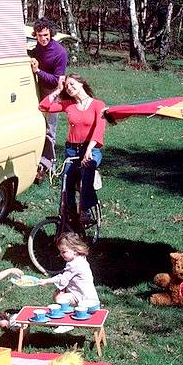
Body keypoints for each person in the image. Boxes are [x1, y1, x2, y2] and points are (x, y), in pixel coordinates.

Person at [38, 73, 106, 224]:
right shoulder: (69, 105)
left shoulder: (97, 105)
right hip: (71, 150)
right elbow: (43, 106)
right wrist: (57, 90)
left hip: (91, 149)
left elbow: (99, 129)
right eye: (67, 85)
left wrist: (89, 150)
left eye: (72, 84)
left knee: (87, 170)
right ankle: (70, 213)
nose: (69, 88)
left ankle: (85, 210)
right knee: (67, 180)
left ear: (81, 83)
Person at [29, 18, 68, 183]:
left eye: (45, 35)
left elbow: (56, 80)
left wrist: (37, 71)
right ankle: (35, 161)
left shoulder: (60, 52)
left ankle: (48, 165)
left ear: (51, 34)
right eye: (39, 35)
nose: (43, 38)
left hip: (53, 92)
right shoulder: (37, 48)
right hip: (37, 89)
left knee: (50, 131)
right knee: (36, 125)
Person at [37, 232, 99, 333]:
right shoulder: (80, 259)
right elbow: (69, 279)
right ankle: (72, 314)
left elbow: (63, 279)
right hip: (83, 294)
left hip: (85, 299)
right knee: (58, 294)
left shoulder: (75, 264)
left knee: (59, 298)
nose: (61, 254)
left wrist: (46, 281)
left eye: (64, 252)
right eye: (60, 252)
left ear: (74, 250)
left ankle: (68, 323)